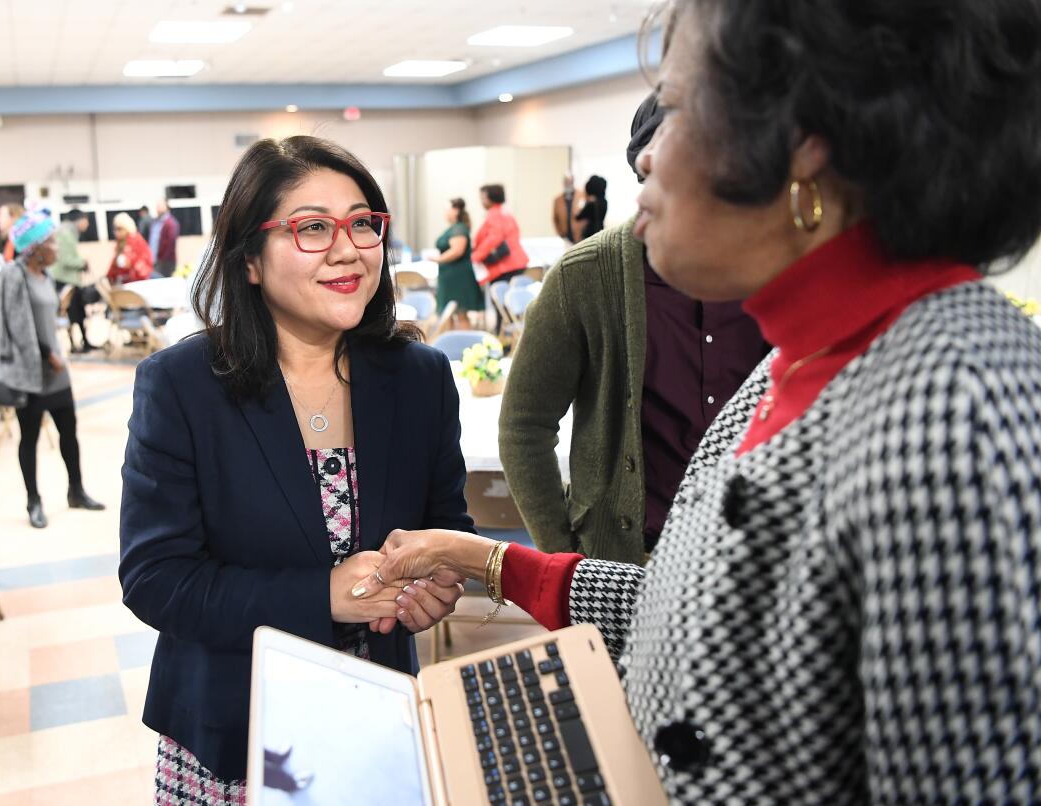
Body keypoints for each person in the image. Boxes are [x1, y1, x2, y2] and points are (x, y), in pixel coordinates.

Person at [357, 0, 1041, 801]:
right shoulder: (793, 358)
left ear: (801, 145)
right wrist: (486, 560)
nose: (644, 161)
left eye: (674, 108)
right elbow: (694, 619)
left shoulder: (954, 423)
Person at [119, 135, 472, 799]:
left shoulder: (419, 378)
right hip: (236, 733)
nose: (348, 248)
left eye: (363, 223)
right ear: (250, 258)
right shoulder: (183, 385)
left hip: (380, 717)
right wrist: (325, 595)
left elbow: (442, 527)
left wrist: (434, 586)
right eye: (312, 227)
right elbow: (155, 578)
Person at [500, 97, 768, 564]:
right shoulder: (586, 275)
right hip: (630, 557)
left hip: (757, 558)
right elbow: (525, 424)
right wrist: (566, 563)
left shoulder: (774, 266)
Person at [0, 211, 105, 529]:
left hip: (57, 370)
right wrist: (45, 354)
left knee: (68, 432)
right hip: (32, 373)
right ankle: (34, 501)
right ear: (36, 247)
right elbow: (15, 323)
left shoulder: (46, 276)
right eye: (51, 241)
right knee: (28, 439)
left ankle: (76, 491)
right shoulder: (14, 275)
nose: (57, 246)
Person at [433, 198, 483, 329]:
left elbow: (457, 251)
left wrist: (437, 259)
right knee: (449, 315)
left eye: (447, 209)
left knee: (461, 315)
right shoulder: (454, 228)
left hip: (458, 277)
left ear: (456, 210)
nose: (445, 212)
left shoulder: (459, 228)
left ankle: (466, 346)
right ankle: (450, 345)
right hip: (450, 276)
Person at [50, 209, 92, 351]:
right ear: (80, 220)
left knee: (74, 313)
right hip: (65, 280)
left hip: (65, 279)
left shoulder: (65, 231)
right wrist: (82, 263)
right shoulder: (66, 234)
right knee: (75, 314)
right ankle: (79, 343)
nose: (87, 224)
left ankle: (81, 342)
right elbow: (66, 260)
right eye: (86, 220)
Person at [471, 184, 528, 285]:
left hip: (505, 265)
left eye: (483, 198)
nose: (481, 201)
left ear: (491, 198)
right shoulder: (506, 213)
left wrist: (476, 256)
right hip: (517, 262)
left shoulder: (494, 215)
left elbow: (494, 238)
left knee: (502, 297)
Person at [108, 212, 153, 284]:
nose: (116, 232)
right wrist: (110, 276)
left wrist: (130, 263)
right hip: (126, 281)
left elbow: (142, 264)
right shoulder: (120, 242)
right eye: (115, 229)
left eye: (119, 229)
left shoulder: (135, 240)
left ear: (126, 228)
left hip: (139, 282)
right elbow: (114, 263)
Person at [148, 199, 180, 278]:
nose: (157, 208)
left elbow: (171, 243)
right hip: (155, 260)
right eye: (157, 206)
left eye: (160, 206)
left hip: (165, 262)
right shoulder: (155, 221)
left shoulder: (171, 223)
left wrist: (163, 259)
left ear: (166, 206)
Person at [552, 173, 587, 244]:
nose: (568, 184)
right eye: (566, 182)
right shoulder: (557, 200)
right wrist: (560, 233)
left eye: (570, 182)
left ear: (573, 182)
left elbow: (586, 216)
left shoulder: (582, 196)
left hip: (580, 237)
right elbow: (555, 219)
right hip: (565, 237)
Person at [574, 175, 608, 241]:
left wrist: (583, 202)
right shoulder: (604, 202)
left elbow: (578, 217)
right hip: (600, 233)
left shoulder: (591, 203)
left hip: (589, 236)